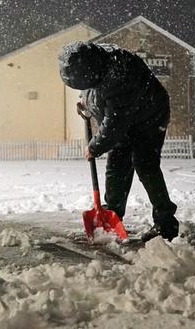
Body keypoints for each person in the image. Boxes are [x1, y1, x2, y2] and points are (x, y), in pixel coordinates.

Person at [59, 41, 179, 242]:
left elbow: (116, 122)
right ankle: (112, 214)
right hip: (126, 118)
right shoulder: (94, 62)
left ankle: (166, 224)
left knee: (145, 165)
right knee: (116, 166)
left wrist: (95, 147)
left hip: (148, 119)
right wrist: (85, 101)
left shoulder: (120, 76)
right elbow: (93, 89)